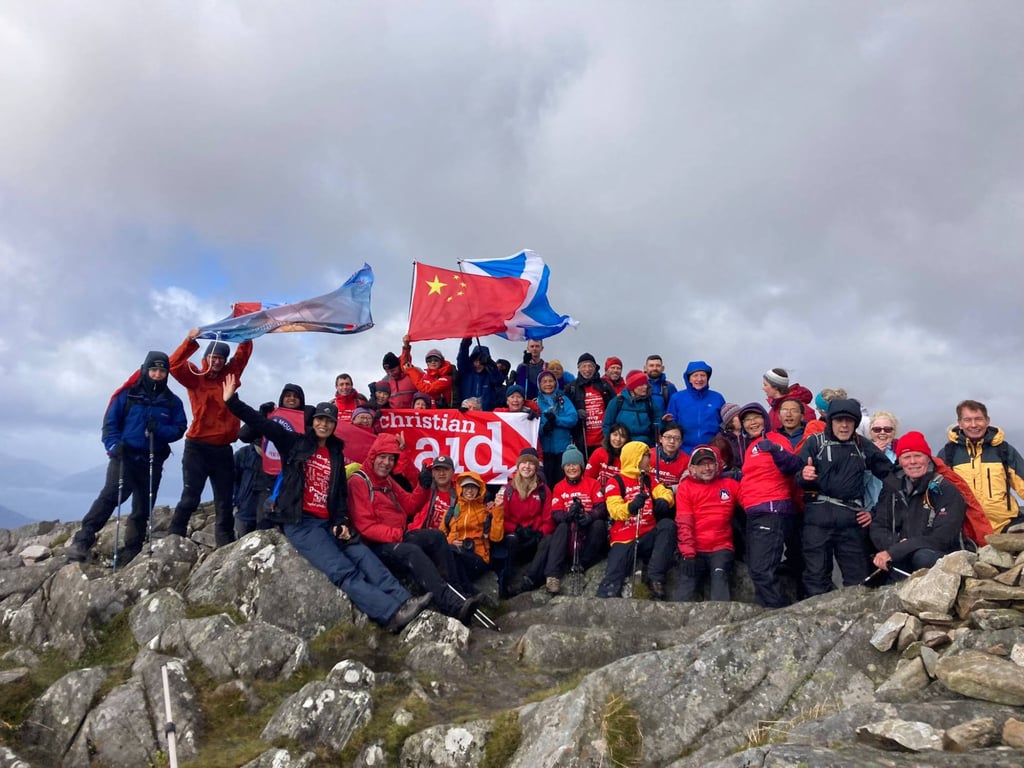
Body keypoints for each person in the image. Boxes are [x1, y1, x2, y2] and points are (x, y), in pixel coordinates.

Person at [222, 377, 430, 632]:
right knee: (342, 570)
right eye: (320, 419)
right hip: (301, 523)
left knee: (363, 556)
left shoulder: (335, 455)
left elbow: (339, 496)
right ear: (313, 422)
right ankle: (390, 614)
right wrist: (232, 402)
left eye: (329, 421)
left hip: (328, 522)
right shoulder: (294, 443)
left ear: (334, 426)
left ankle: (405, 601)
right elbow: (263, 424)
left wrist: (341, 522)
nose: (323, 423)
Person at [348, 432, 483, 624]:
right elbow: (366, 527)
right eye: (382, 457)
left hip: (395, 536)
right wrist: (398, 535)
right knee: (411, 551)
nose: (386, 463)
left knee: (436, 537)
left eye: (391, 459)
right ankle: (450, 604)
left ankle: (458, 592)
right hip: (376, 545)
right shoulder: (359, 481)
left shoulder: (386, 480)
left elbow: (410, 505)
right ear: (373, 456)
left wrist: (422, 486)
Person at [66, 351, 188, 564]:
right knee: (111, 496)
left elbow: (179, 429)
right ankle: (82, 540)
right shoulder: (128, 395)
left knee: (143, 506)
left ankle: (131, 550)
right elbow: (110, 425)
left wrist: (158, 429)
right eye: (154, 369)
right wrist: (114, 446)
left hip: (152, 458)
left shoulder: (172, 401)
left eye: (162, 370)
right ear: (145, 369)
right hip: (124, 456)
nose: (158, 374)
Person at [798, 398, 893, 595]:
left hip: (851, 520)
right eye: (839, 420)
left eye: (849, 421)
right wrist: (803, 476)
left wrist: (873, 512)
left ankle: (857, 617)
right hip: (817, 517)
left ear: (856, 423)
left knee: (857, 576)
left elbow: (892, 479)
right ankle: (816, 617)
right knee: (816, 574)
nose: (844, 425)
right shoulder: (815, 443)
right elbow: (796, 478)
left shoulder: (862, 446)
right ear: (830, 421)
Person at [168, 330, 254, 546]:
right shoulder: (195, 377)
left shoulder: (230, 376)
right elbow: (174, 365)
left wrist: (247, 329)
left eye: (220, 359)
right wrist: (190, 340)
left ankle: (224, 543)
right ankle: (173, 537)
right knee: (191, 497)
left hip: (223, 449)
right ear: (205, 358)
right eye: (212, 358)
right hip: (196, 448)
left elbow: (243, 355)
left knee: (224, 500)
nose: (216, 362)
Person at [735, 403, 804, 608]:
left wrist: (776, 450)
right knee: (757, 568)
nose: (752, 422)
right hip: (756, 510)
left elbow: (793, 465)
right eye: (747, 419)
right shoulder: (751, 447)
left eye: (756, 417)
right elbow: (752, 478)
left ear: (765, 419)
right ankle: (765, 610)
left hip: (772, 509)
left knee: (762, 569)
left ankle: (778, 612)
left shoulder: (775, 439)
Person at [871, 431, 967, 576]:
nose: (913, 462)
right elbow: (879, 526)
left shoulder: (944, 489)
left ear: (928, 458)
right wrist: (895, 546)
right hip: (900, 553)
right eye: (906, 457)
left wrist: (901, 548)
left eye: (918, 456)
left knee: (921, 557)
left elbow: (943, 537)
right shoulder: (892, 488)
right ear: (900, 461)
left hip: (938, 556)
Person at [595, 440, 676, 600]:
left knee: (668, 526)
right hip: (623, 538)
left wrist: (665, 501)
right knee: (612, 578)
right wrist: (631, 507)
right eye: (646, 455)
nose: (649, 459)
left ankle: (655, 578)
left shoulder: (648, 479)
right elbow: (614, 510)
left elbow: (664, 492)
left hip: (647, 533)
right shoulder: (615, 481)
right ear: (636, 458)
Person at [941, 399, 1024, 533]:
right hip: (965, 529)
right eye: (967, 420)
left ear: (987, 420)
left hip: (1005, 527)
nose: (974, 425)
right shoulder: (948, 454)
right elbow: (935, 493)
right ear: (960, 423)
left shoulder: (1004, 450)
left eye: (978, 419)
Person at [673, 445, 740, 602]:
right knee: (685, 587)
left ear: (717, 465)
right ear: (693, 468)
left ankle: (722, 626)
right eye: (701, 464)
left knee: (720, 579)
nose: (707, 468)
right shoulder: (685, 487)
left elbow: (750, 499)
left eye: (710, 463)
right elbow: (684, 522)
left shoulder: (729, 485)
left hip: (721, 547)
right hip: (695, 549)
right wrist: (688, 554)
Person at [493, 448, 551, 598]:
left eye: (531, 463)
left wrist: (540, 533)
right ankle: (506, 582)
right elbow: (501, 518)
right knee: (511, 539)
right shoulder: (507, 489)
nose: (527, 466)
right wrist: (516, 529)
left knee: (548, 539)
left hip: (534, 536)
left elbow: (549, 518)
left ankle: (530, 579)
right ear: (518, 466)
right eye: (523, 462)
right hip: (515, 537)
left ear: (536, 467)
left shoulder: (543, 490)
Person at [442, 472, 504, 582]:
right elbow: (441, 536)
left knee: (453, 558)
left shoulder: (487, 511)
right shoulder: (451, 511)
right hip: (455, 554)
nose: (469, 491)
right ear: (461, 489)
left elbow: (496, 538)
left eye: (473, 487)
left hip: (478, 557)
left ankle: (462, 592)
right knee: (452, 554)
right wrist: (450, 541)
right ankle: (467, 592)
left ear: (479, 489)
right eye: (466, 487)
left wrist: (498, 510)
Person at [665, 361, 726, 454]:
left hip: (711, 451)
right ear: (689, 379)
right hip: (684, 451)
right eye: (695, 375)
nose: (699, 379)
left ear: (707, 378)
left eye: (703, 375)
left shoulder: (717, 398)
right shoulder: (677, 398)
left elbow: (724, 425)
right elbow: (671, 426)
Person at [563, 353, 616, 456]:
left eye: (590, 366)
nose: (587, 369)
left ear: (595, 368)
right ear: (578, 368)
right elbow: (565, 410)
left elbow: (614, 407)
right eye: (584, 366)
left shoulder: (604, 385)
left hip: (603, 438)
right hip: (581, 437)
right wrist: (576, 413)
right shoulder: (571, 388)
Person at [535, 370, 579, 487]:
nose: (548, 384)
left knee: (562, 482)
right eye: (544, 382)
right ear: (539, 385)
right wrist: (543, 429)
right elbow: (532, 427)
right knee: (546, 482)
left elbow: (573, 418)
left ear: (555, 383)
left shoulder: (563, 400)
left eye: (551, 381)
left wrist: (557, 420)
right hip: (545, 451)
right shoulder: (535, 402)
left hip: (562, 449)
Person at [602, 370, 664, 447]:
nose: (645, 387)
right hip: (620, 444)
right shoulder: (618, 401)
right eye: (641, 385)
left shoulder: (650, 403)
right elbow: (607, 424)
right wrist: (610, 444)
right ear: (632, 387)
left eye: (645, 384)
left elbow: (657, 425)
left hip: (643, 444)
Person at [400, 335, 455, 408]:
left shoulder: (446, 379)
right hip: (425, 415)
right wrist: (406, 346)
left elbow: (427, 389)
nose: (433, 362)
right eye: (429, 360)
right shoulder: (424, 376)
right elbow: (405, 367)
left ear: (441, 362)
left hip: (440, 416)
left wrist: (411, 370)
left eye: (436, 360)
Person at [410, 455, 459, 531]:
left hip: (447, 539)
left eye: (446, 469)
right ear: (432, 473)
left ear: (453, 472)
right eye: (438, 470)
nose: (442, 473)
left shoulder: (460, 493)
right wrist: (402, 448)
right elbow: (407, 469)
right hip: (421, 535)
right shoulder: (425, 489)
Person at [456, 338, 506, 411]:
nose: (478, 364)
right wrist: (465, 343)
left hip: (484, 415)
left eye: (481, 362)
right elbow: (462, 359)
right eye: (475, 361)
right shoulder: (466, 372)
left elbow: (499, 380)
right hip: (466, 413)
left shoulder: (490, 375)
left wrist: (491, 364)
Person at [863, 410, 899, 509]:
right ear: (871, 432)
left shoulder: (901, 453)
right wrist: (871, 457)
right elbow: (858, 483)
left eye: (887, 429)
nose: (882, 432)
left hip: (896, 510)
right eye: (877, 429)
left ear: (894, 431)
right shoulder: (862, 452)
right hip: (870, 511)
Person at [585, 423, 631, 488]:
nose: (618, 439)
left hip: (620, 494)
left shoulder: (629, 456)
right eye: (615, 435)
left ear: (627, 439)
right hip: (598, 493)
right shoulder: (599, 453)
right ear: (609, 435)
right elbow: (588, 478)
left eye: (622, 436)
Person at [649, 422, 689, 489]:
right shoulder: (648, 454)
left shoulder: (687, 461)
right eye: (668, 437)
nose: (672, 441)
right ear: (660, 439)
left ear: (681, 442)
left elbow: (686, 485)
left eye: (676, 438)